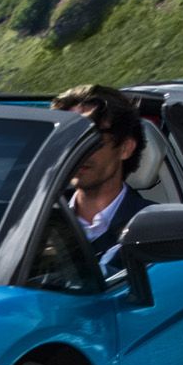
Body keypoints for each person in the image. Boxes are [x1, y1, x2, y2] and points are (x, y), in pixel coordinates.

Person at [53, 83, 149, 256]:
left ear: (125, 148)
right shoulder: (39, 221)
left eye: (91, 138)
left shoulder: (153, 226)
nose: (78, 150)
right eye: (69, 138)